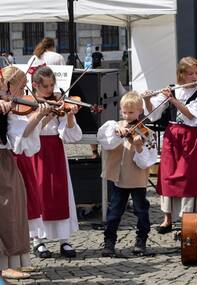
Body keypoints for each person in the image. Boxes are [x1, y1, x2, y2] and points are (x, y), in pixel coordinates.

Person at [14, 66, 82, 258]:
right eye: (46, 86)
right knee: (39, 193)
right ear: (35, 85)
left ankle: (64, 239)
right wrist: (46, 114)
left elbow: (70, 135)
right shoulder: (28, 104)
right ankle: (38, 240)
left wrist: (69, 115)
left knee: (60, 191)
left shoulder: (57, 101)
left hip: (56, 149)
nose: (51, 90)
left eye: (53, 85)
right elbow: (30, 131)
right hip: (36, 150)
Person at [144, 56, 197, 234]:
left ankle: (189, 216)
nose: (195, 77)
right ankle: (168, 218)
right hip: (172, 136)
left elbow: (191, 115)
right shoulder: (173, 89)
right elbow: (153, 115)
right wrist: (148, 100)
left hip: (188, 136)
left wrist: (172, 100)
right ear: (181, 75)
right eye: (190, 74)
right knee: (168, 175)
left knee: (188, 177)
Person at [0, 66, 50, 280]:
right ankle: (2, 264)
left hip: (5, 156)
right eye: (18, 87)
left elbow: (20, 136)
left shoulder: (9, 105)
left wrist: (39, 116)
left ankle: (15, 260)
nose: (21, 92)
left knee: (15, 208)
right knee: (4, 209)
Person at [97, 91, 157, 257]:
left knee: (141, 211)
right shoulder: (115, 126)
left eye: (131, 112)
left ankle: (141, 240)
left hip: (137, 180)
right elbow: (104, 141)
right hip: (119, 178)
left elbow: (147, 161)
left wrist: (138, 147)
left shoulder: (147, 133)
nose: (127, 115)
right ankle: (109, 242)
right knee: (114, 212)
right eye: (124, 112)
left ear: (140, 112)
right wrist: (118, 134)